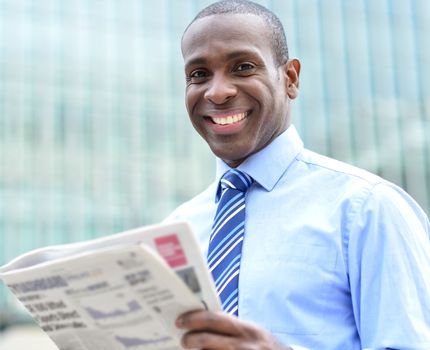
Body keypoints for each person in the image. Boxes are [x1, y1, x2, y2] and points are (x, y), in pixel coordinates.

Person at [164, 1, 430, 349]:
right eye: (199, 74)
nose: (217, 91)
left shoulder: (367, 208)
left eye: (243, 67)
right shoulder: (176, 230)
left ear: (290, 78)